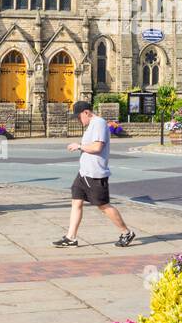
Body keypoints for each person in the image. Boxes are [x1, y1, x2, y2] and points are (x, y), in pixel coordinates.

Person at [53, 100, 136, 248]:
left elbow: (97, 147)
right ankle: (71, 237)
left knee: (103, 205)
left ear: (86, 112)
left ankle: (126, 232)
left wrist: (79, 146)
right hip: (83, 173)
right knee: (76, 202)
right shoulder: (91, 125)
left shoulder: (99, 123)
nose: (78, 121)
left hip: (95, 174)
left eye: (79, 117)